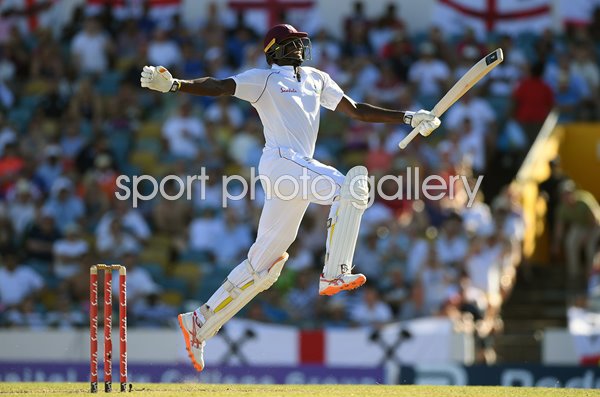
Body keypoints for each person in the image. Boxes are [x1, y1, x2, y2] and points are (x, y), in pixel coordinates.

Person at [140, 23, 441, 371]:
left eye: (301, 43)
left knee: (263, 267)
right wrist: (176, 84)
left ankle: (199, 323)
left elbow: (356, 110)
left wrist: (407, 117)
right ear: (275, 49)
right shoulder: (264, 79)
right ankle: (334, 272)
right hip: (281, 162)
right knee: (352, 186)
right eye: (292, 44)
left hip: (298, 170)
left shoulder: (316, 78)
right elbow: (220, 87)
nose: (300, 49)